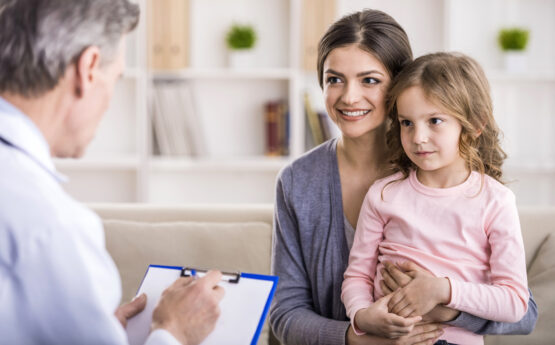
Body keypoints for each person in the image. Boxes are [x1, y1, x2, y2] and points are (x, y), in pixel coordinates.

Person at [269, 9, 537, 345]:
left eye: (369, 80)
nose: (349, 96)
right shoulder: (299, 181)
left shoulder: (447, 170)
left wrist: (443, 305)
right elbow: (284, 313)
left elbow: (523, 312)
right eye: (334, 79)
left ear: (399, 86)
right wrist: (361, 339)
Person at [0, 1, 223, 344]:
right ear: (88, 68)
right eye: (115, 78)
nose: (110, 101)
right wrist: (174, 332)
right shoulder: (53, 228)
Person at [341, 52, 529, 345]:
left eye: (435, 121)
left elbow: (515, 302)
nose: (418, 137)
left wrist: (442, 290)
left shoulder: (496, 201)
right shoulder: (383, 194)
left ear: (474, 124)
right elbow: (357, 277)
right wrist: (362, 317)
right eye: (407, 123)